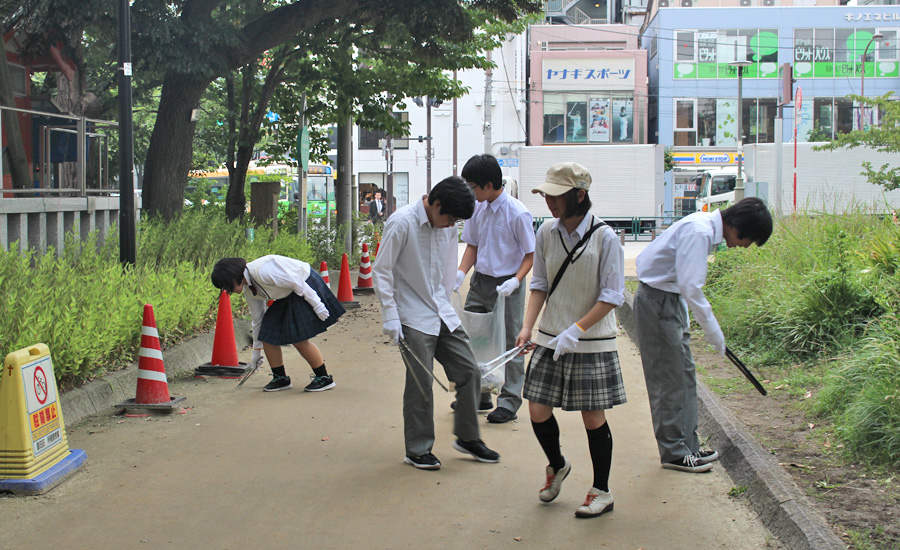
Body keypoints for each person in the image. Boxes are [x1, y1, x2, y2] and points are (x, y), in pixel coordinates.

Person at [514, 162, 626, 519]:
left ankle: (601, 491)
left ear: (580, 195)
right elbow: (540, 284)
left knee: (592, 417)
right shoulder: (546, 231)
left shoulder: (605, 237)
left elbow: (612, 295)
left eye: (556, 195)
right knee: (536, 408)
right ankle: (557, 464)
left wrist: (576, 330)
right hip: (550, 338)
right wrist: (528, 327)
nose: (549, 201)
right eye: (546, 194)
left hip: (591, 340)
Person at [633, 197, 772, 473]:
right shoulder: (700, 232)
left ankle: (688, 447)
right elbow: (692, 287)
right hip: (659, 302)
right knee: (669, 379)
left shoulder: (704, 227)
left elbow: (686, 285)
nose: (744, 247)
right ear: (741, 228)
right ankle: (674, 453)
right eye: (750, 240)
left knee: (683, 375)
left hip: (668, 301)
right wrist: (714, 333)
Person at [372, 176, 501, 470]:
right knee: (421, 381)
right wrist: (390, 315)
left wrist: (450, 298)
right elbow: (382, 271)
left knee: (470, 370)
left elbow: (444, 268)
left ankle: (468, 437)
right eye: (450, 217)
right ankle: (417, 449)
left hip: (440, 310)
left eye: (457, 221)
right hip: (410, 314)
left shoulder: (447, 224)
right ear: (436, 203)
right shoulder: (401, 222)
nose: (451, 224)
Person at [454, 154, 535, 423]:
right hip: (480, 281)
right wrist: (460, 274)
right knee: (474, 335)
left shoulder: (517, 213)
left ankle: (509, 401)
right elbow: (473, 246)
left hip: (508, 284)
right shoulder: (477, 209)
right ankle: (481, 392)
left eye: (472, 186)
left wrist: (517, 280)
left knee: (512, 341)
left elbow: (530, 254)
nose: (470, 191)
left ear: (489, 185)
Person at [210, 255, 345, 392]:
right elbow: (258, 320)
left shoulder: (261, 271)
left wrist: (317, 305)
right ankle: (280, 378)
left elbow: (296, 282)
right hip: (286, 293)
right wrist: (256, 352)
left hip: (305, 284)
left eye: (227, 285)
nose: (228, 291)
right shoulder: (249, 290)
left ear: (234, 277)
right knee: (267, 333)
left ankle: (324, 377)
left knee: (298, 338)